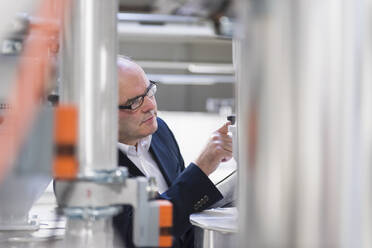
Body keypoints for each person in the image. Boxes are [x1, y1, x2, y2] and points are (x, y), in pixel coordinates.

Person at [113, 56, 232, 248]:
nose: (151, 106)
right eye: (135, 102)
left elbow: (183, 212)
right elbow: (140, 238)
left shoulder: (159, 131)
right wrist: (201, 168)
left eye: (149, 91)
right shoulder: (89, 167)